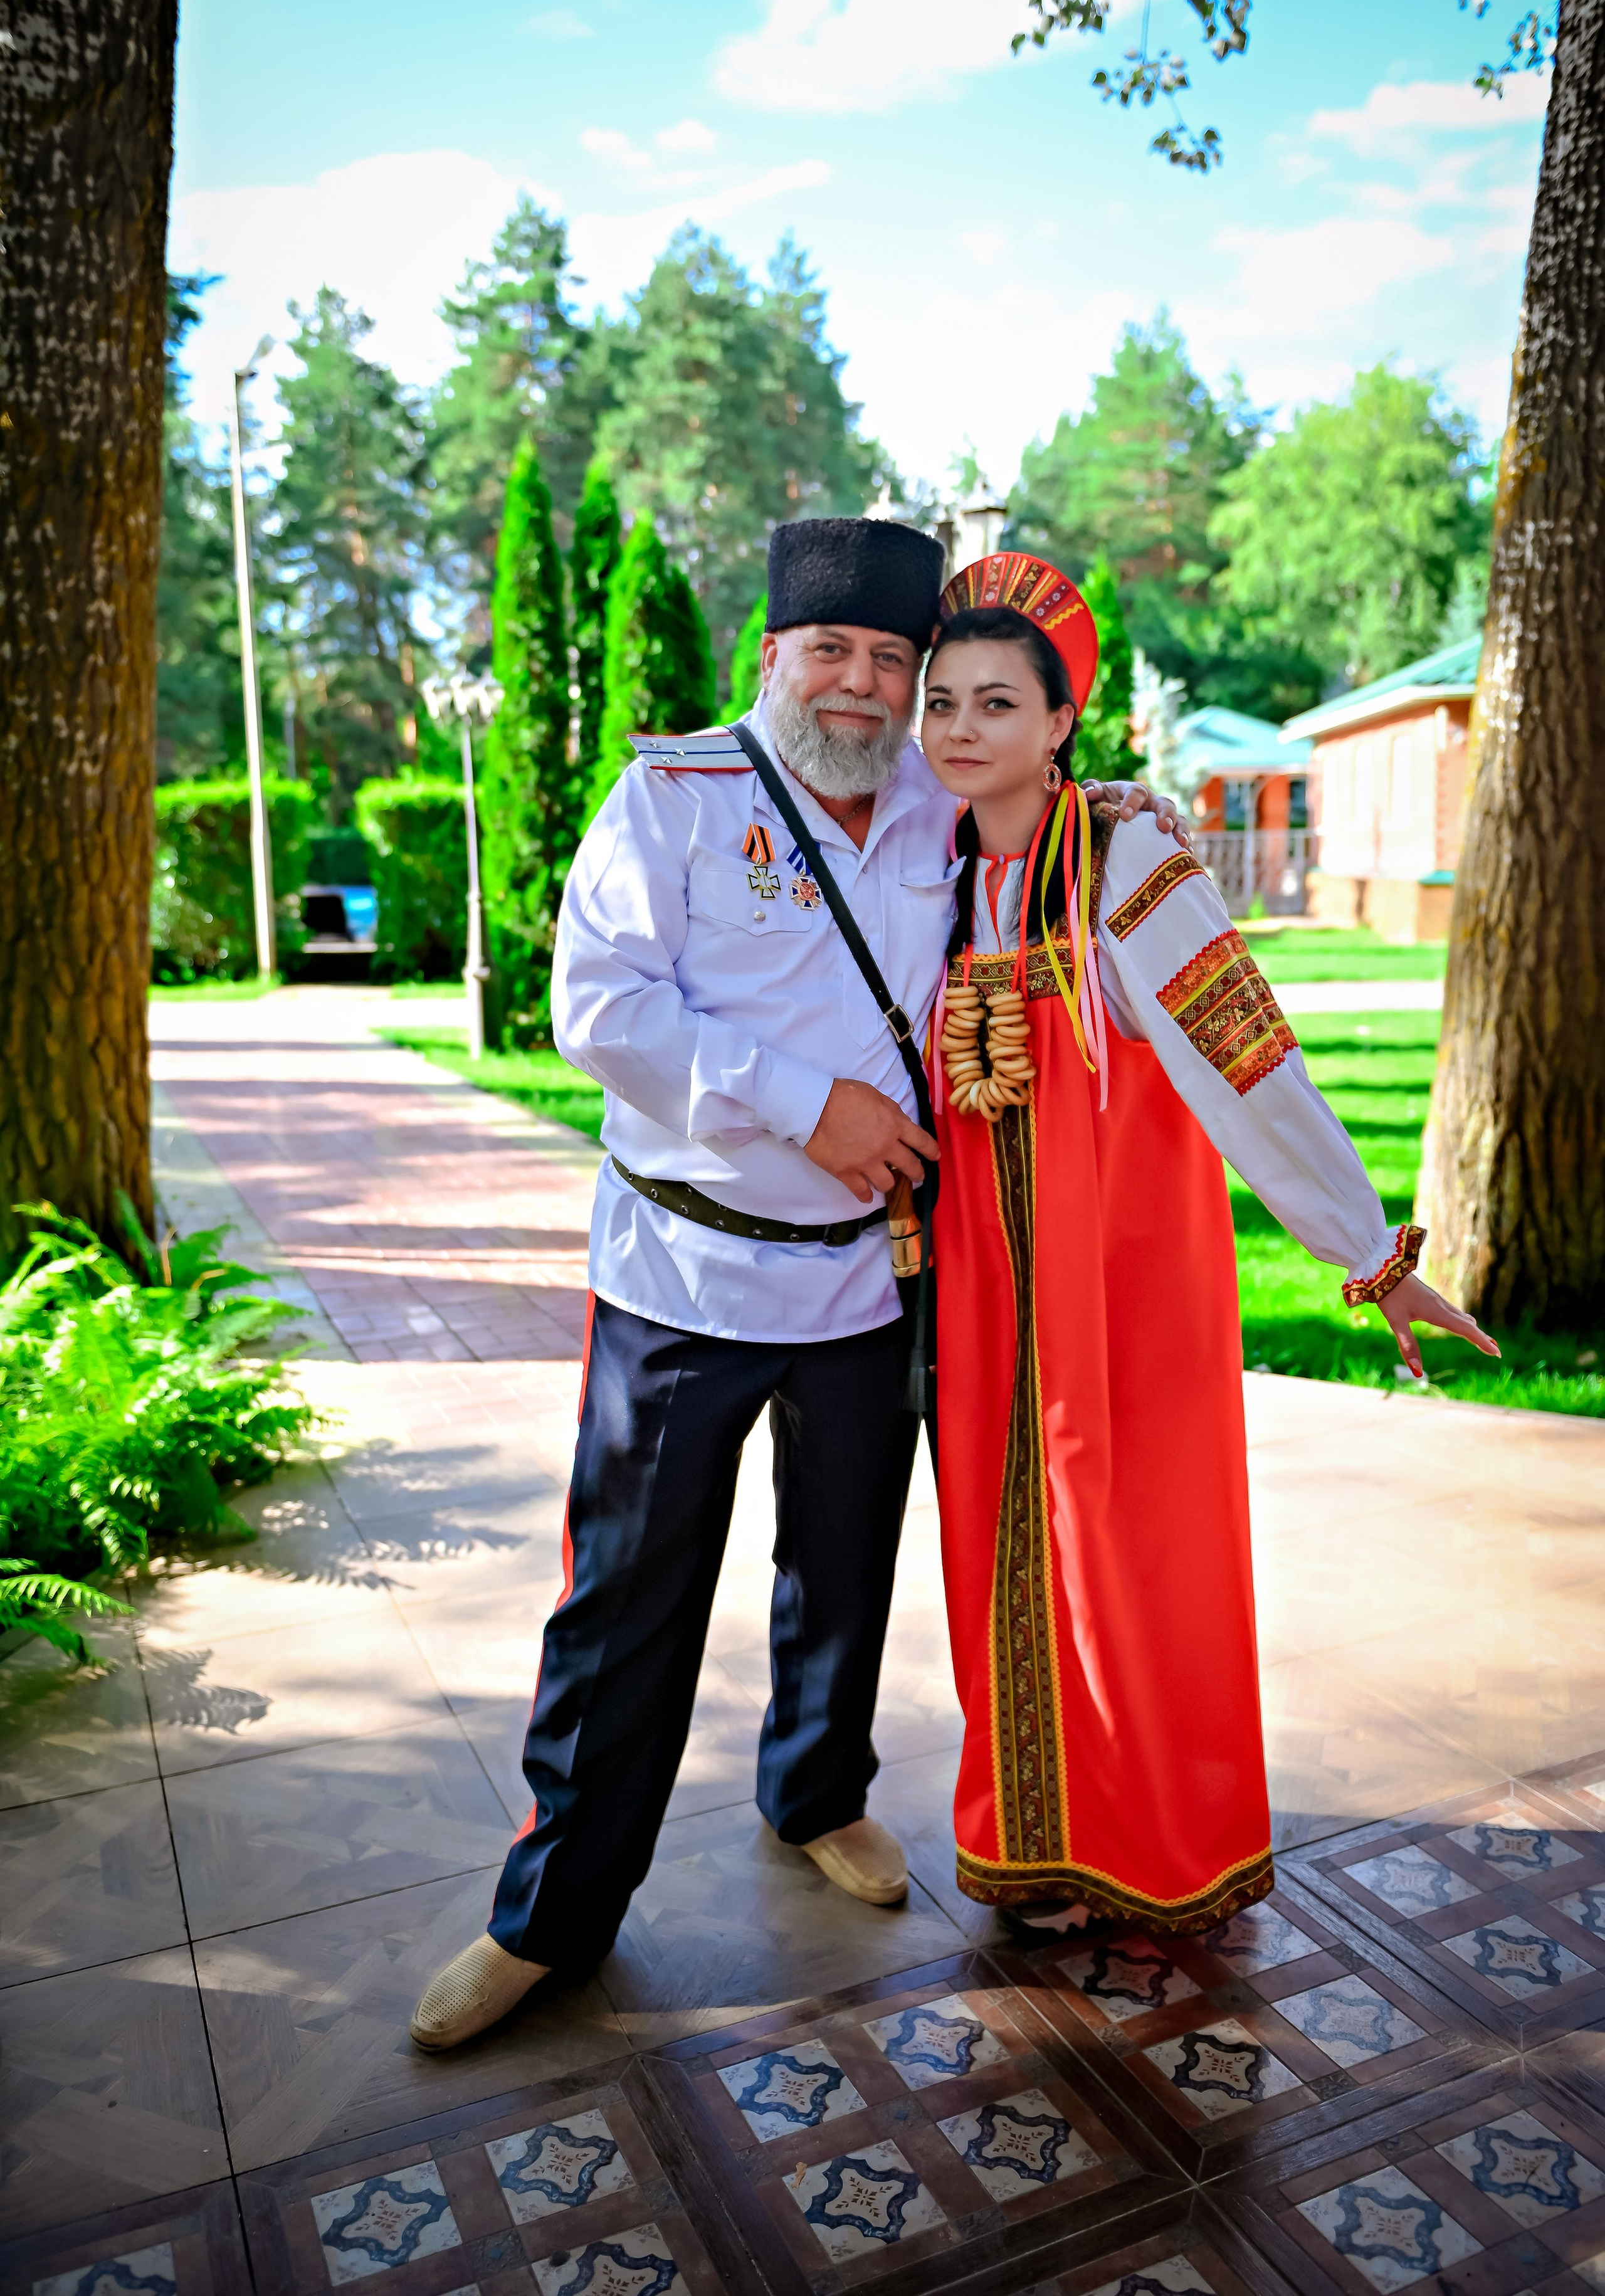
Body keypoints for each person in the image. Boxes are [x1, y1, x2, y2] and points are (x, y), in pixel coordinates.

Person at [409, 517, 1186, 2049]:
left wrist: (1115, 812)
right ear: (769, 655)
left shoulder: (934, 803)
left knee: (843, 1568)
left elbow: (1046, 847)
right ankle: (550, 1917)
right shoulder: (673, 794)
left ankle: (815, 1795)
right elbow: (598, 1007)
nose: (861, 683)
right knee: (628, 1605)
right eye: (828, 648)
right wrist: (798, 1098)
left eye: (892, 659)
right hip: (682, 1271)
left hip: (867, 1281)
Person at [918, 552, 1499, 1936]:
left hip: (1109, 1279)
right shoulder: (921, 860)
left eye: (998, 702)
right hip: (981, 1286)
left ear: (1063, 721)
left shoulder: (1126, 860)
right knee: (996, 1542)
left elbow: (1249, 1066)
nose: (957, 728)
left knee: (1118, 1542)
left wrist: (1363, 1250)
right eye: (941, 699)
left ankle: (1149, 1836)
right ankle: (1033, 1833)